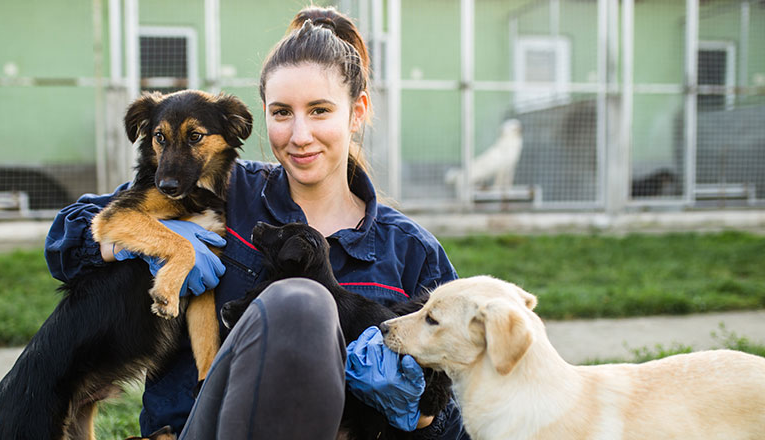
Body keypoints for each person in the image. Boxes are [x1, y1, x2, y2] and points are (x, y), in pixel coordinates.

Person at [45, 6, 468, 439]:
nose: (299, 134)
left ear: (356, 112)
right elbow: (67, 238)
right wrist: (148, 243)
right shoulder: (219, 189)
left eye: (320, 110)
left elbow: (462, 413)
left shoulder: (412, 254)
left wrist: (421, 413)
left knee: (305, 304)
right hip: (199, 429)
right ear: (264, 114)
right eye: (283, 112)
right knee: (302, 303)